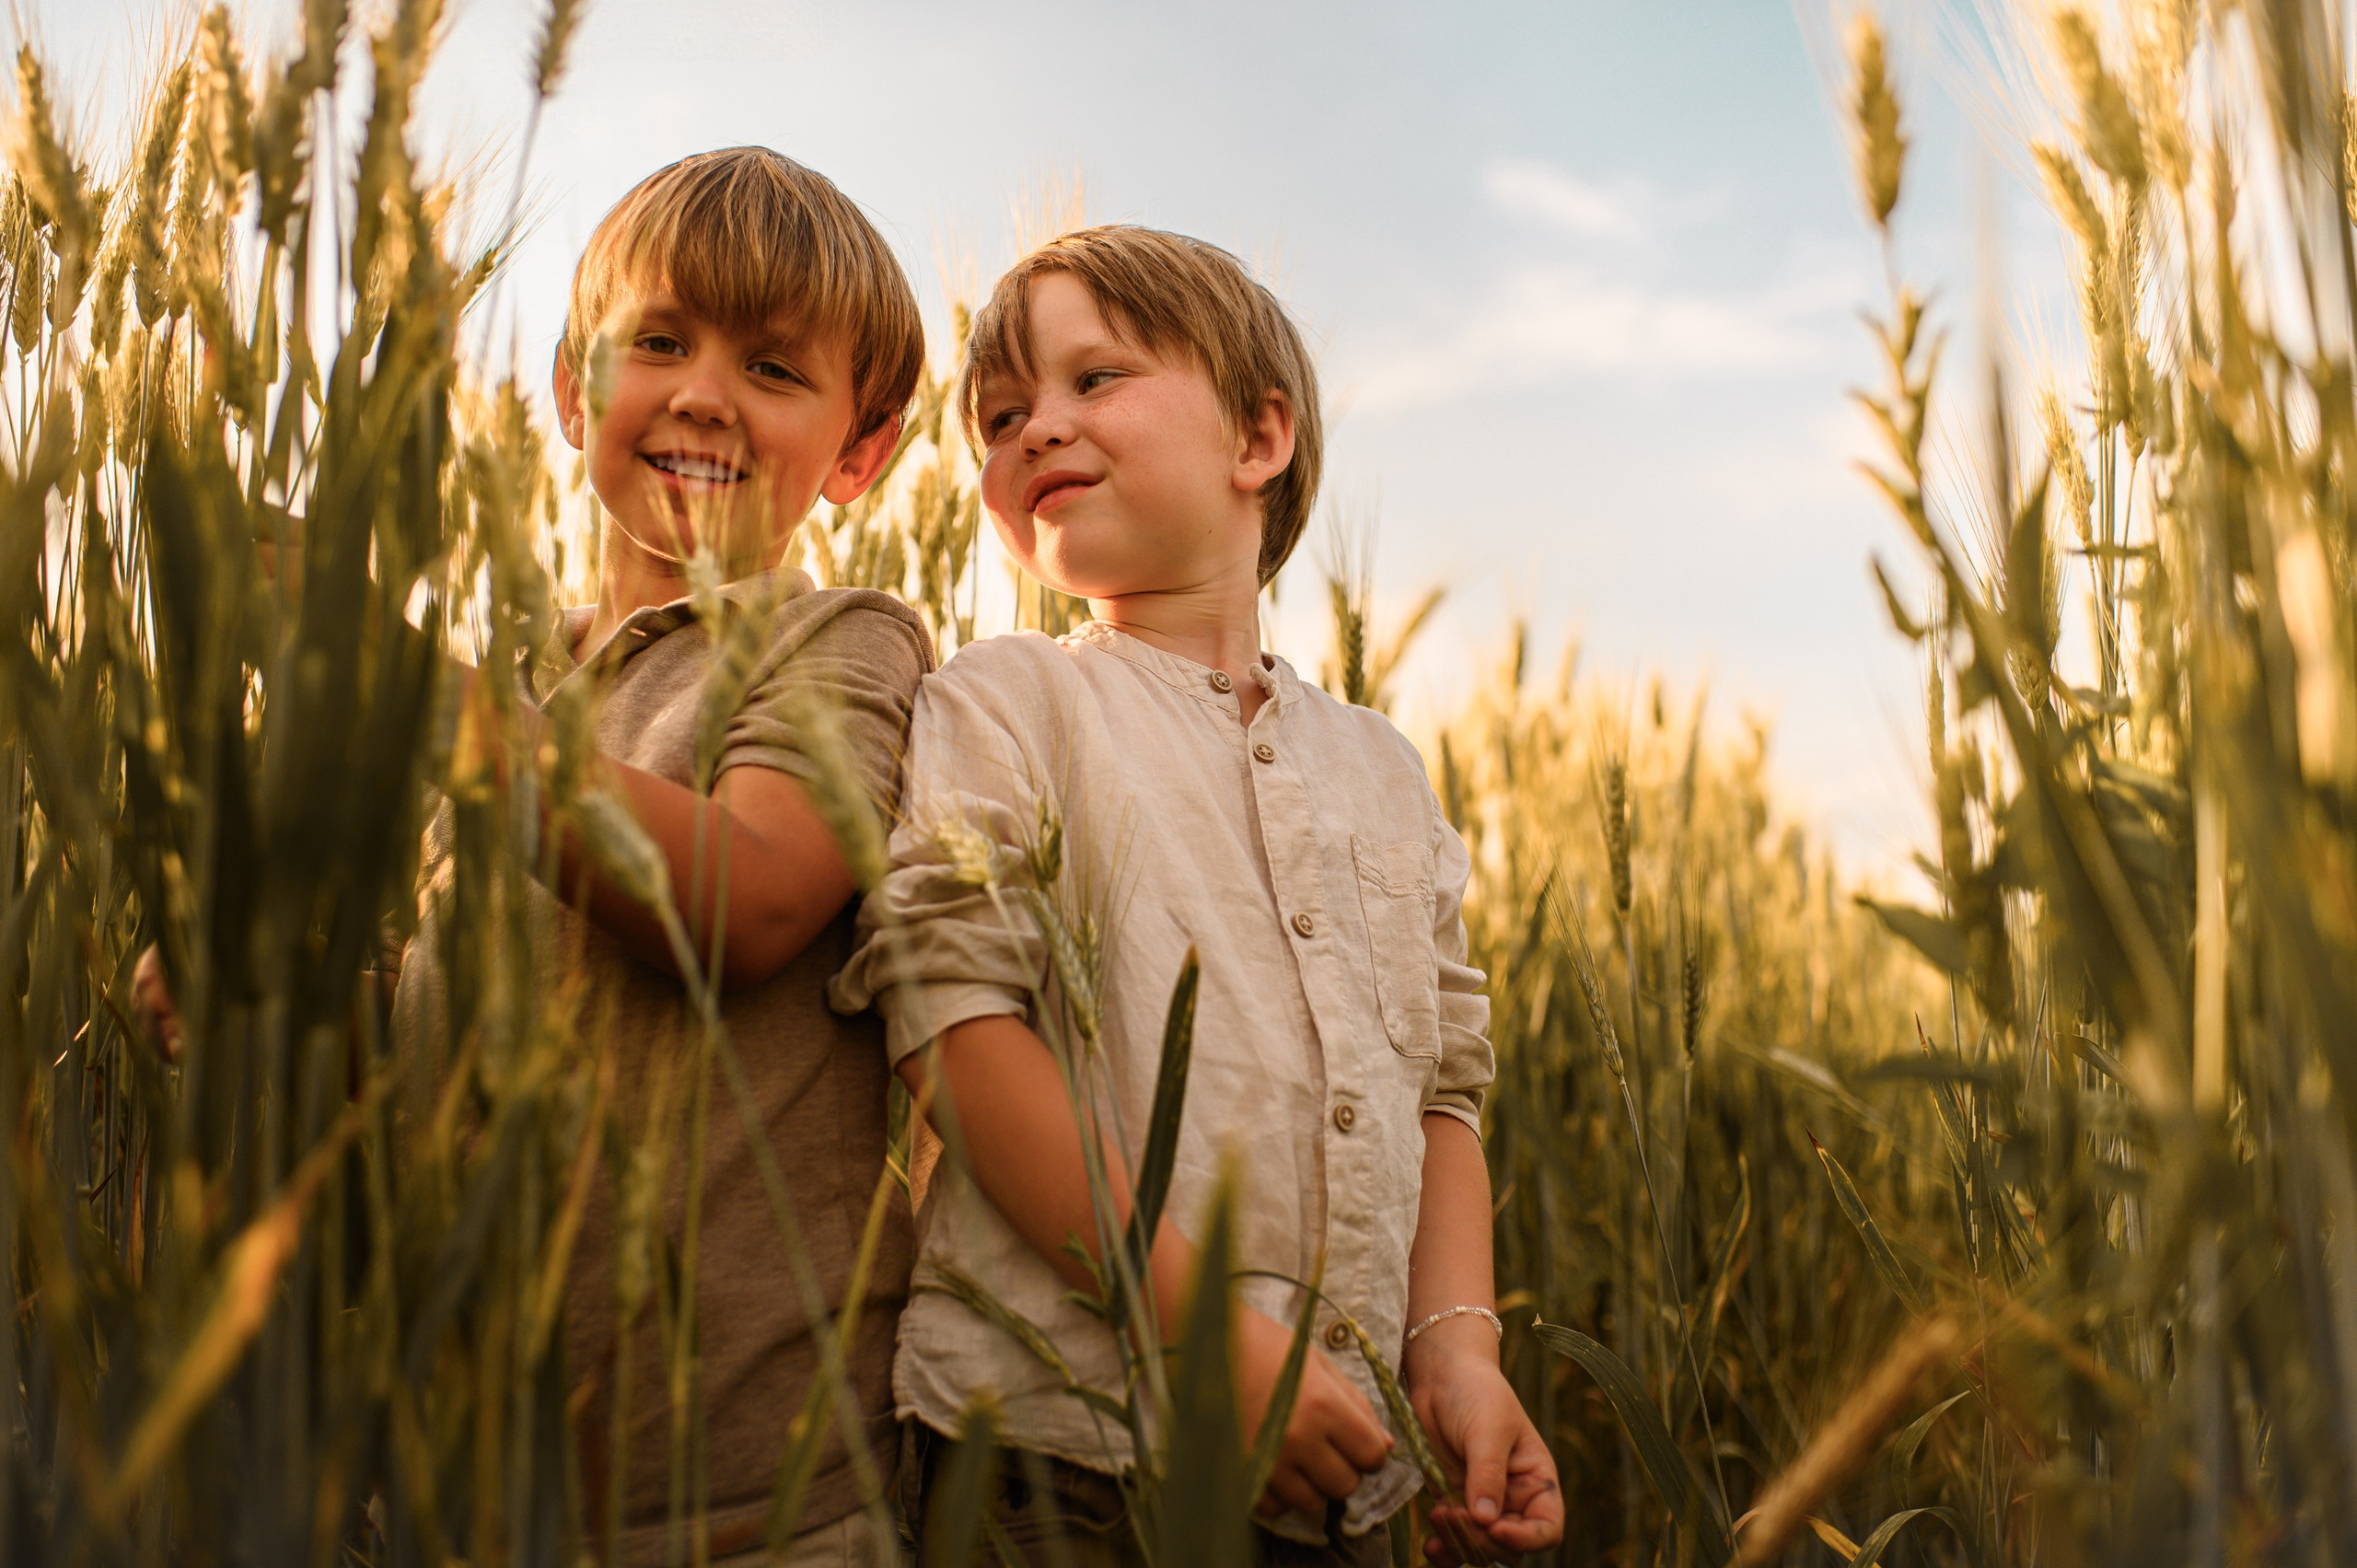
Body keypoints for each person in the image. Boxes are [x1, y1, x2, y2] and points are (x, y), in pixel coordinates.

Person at [832, 226, 1563, 1566]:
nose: (1039, 427)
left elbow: (1445, 1093)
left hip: (1339, 1474)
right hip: (1059, 1463)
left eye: (1095, 378)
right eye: (1000, 417)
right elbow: (953, 1026)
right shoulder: (1009, 700)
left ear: (1258, 437)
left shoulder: (1385, 771)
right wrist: (1202, 1337)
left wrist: (1457, 1356)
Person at [397, 147, 932, 1568]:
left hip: (757, 1507)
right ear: (575, 393)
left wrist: (433, 710)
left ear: (861, 454)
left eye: (773, 367)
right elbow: (427, 1019)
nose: (704, 393)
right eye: (658, 343)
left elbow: (748, 901)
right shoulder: (517, 682)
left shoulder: (842, 644)